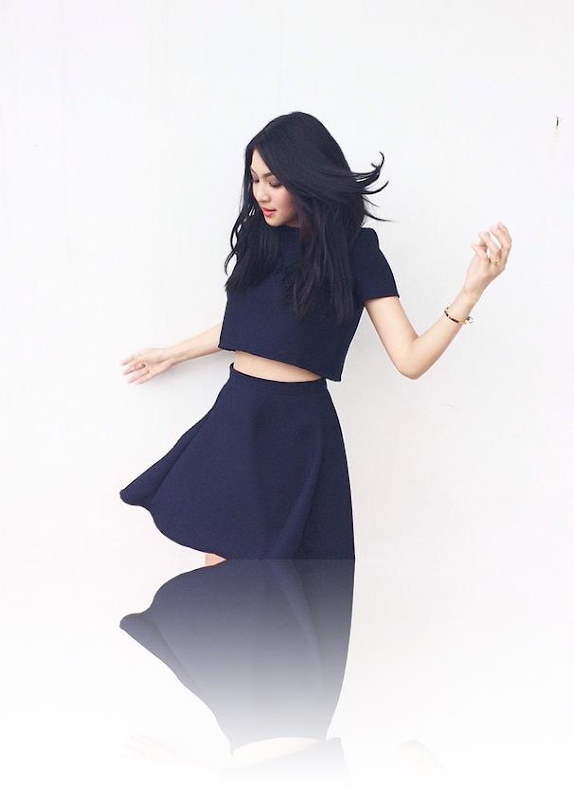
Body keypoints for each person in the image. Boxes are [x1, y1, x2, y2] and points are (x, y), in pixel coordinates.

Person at [119, 111, 511, 566]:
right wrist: (172, 354)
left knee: (284, 588)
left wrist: (470, 292)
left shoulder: (355, 251)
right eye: (254, 180)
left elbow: (410, 359)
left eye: (274, 182)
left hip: (298, 432)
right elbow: (247, 326)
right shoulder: (259, 238)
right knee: (221, 581)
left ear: (306, 179)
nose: (261, 194)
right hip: (237, 419)